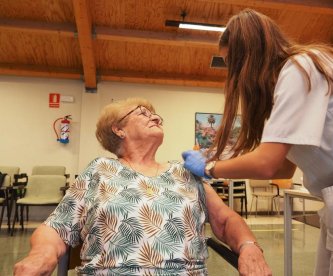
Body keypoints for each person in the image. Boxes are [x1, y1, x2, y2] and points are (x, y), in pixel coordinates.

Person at [182, 9, 333, 276]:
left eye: (230, 64)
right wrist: (218, 162)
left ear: (247, 57)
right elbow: (284, 169)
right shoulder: (290, 82)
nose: (231, 75)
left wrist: (211, 168)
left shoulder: (301, 68)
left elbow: (268, 164)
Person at [14, 98, 272, 276]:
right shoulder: (100, 170)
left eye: (156, 114)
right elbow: (56, 228)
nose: (156, 117)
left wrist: (249, 245)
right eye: (143, 113)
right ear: (118, 130)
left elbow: (225, 221)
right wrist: (43, 254)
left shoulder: (184, 172)